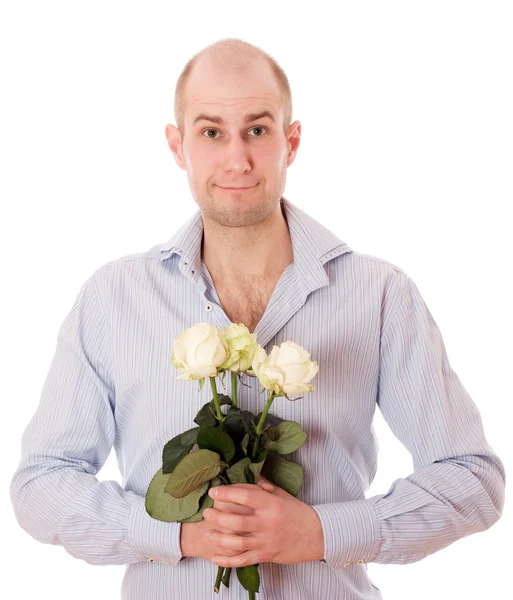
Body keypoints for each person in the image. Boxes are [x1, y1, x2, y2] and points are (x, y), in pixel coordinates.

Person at [10, 37, 506, 600]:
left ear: (291, 141)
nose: (237, 159)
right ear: (178, 146)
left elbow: (473, 479)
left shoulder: (380, 295)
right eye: (211, 131)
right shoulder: (113, 297)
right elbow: (40, 485)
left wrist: (320, 533)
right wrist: (178, 534)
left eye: (258, 129)